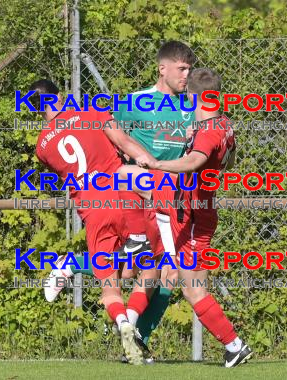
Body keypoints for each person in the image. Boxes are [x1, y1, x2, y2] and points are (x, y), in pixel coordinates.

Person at [56, 41, 197, 358]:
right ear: (163, 69)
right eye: (181, 68)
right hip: (139, 195)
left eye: (189, 69)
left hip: (174, 197)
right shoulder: (136, 103)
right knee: (146, 268)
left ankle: (133, 338)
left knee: (162, 273)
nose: (187, 74)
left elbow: (203, 147)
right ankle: (134, 338)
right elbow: (111, 137)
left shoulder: (193, 106)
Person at [121, 68, 252, 368]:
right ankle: (137, 334)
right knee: (165, 271)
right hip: (193, 210)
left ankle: (234, 345)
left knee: (192, 288)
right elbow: (228, 162)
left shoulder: (208, 132)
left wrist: (158, 162)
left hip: (191, 217)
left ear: (193, 97)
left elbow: (195, 161)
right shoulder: (224, 124)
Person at [30, 79, 162, 365]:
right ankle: (133, 322)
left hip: (92, 208)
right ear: (61, 96)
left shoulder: (42, 145)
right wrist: (152, 164)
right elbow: (124, 142)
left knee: (112, 282)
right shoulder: (91, 111)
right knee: (151, 267)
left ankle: (123, 322)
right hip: (123, 196)